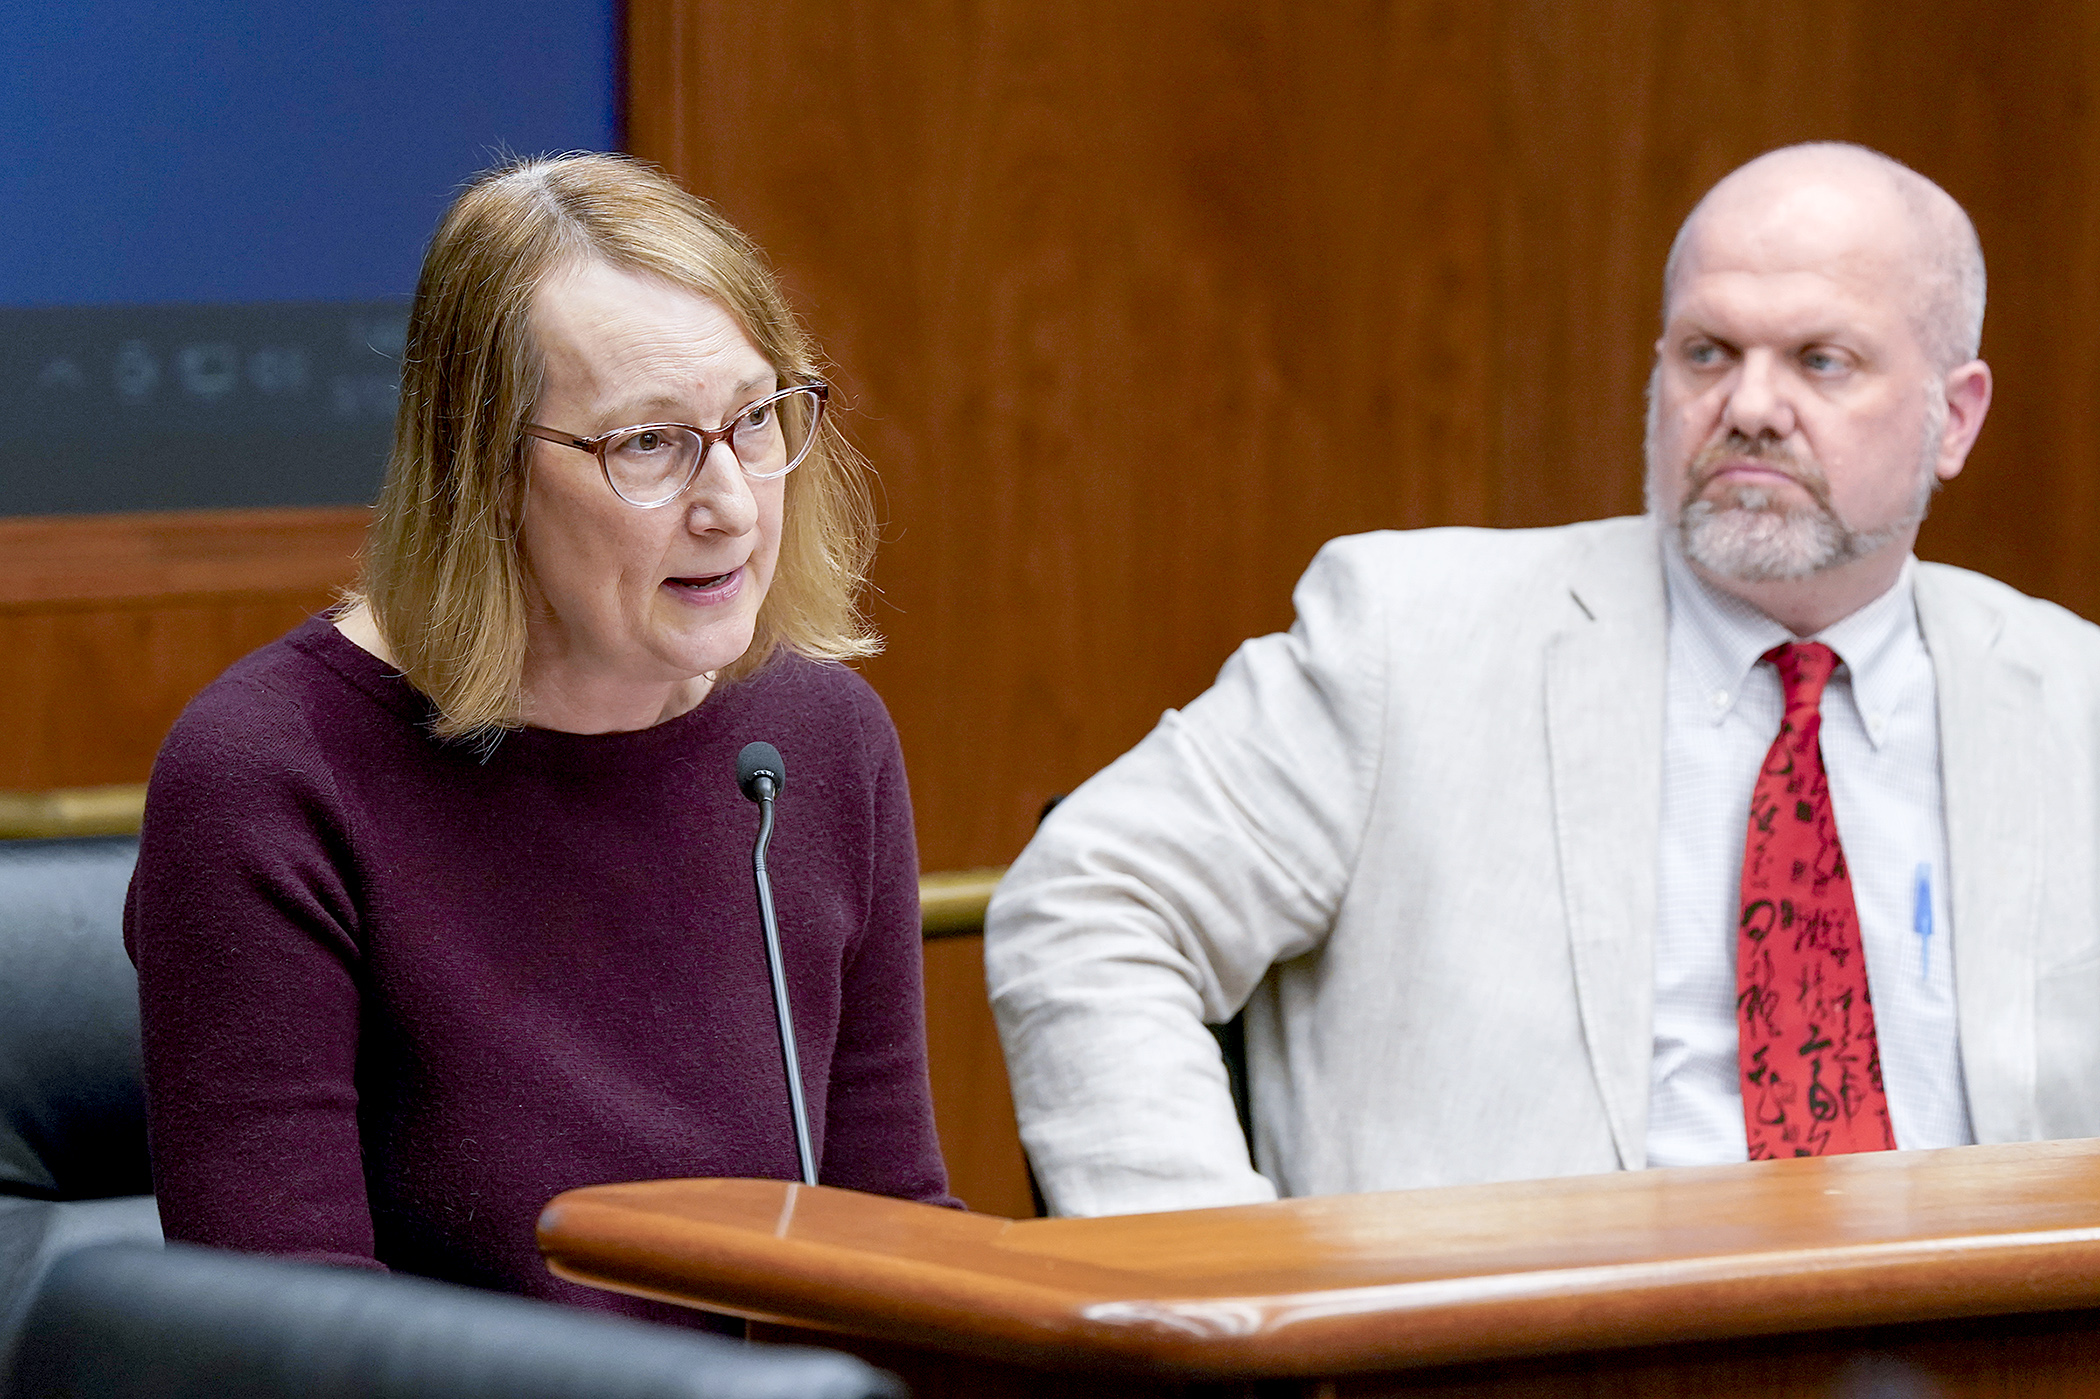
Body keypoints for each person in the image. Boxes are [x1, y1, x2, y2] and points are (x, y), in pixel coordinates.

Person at [986, 142, 2100, 1218]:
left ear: (1954, 417)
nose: (1751, 406)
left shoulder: (2072, 699)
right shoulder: (1409, 640)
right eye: (1707, 353)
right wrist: (1220, 1285)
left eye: (1821, 361)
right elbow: (1088, 899)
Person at [125, 154, 951, 1323]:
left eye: (755, 418)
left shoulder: (813, 742)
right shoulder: (272, 774)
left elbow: (894, 1229)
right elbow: (285, 1338)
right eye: (648, 444)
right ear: (485, 476)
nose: (729, 501)